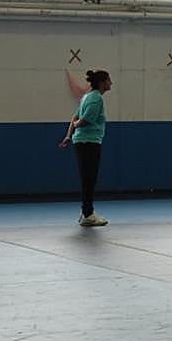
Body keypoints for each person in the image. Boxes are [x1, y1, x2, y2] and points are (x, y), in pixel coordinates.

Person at [59, 69, 113, 227]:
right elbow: (84, 120)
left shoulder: (86, 97)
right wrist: (75, 127)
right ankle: (88, 214)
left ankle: (85, 212)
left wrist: (69, 136)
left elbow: (74, 117)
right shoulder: (96, 99)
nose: (111, 83)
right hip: (89, 142)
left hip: (82, 142)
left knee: (87, 178)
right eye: (109, 80)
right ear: (102, 83)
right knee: (89, 178)